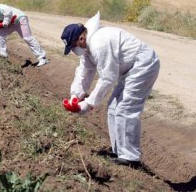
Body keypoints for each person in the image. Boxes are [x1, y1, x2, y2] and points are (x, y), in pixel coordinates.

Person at [60, 12, 160, 168]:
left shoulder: (99, 43)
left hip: (143, 64)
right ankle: (119, 151)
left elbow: (108, 78)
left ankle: (130, 158)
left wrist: (88, 104)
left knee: (126, 108)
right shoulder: (87, 47)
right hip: (130, 69)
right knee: (113, 107)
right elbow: (84, 72)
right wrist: (75, 96)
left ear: (81, 38)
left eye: (73, 46)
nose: (74, 50)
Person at [0, 3, 49, 67]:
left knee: (27, 38)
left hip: (19, 19)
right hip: (10, 24)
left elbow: (7, 10)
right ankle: (3, 56)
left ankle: (42, 58)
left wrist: (5, 22)